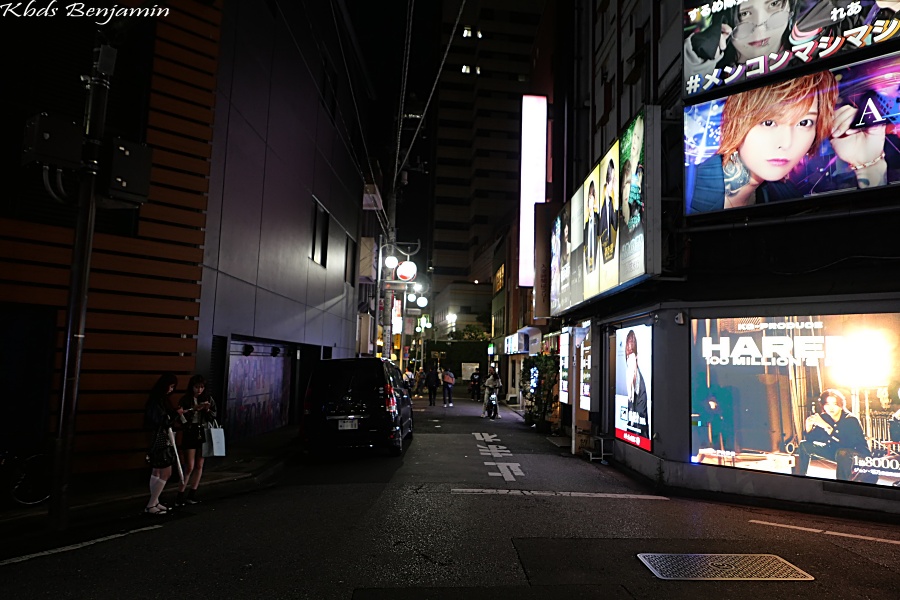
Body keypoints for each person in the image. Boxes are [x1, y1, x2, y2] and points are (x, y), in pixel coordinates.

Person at [688, 70, 889, 213]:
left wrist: (869, 165)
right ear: (737, 117)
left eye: (804, 122)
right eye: (768, 122)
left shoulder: (784, 196)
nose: (786, 143)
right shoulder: (690, 185)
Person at [683, 0, 799, 94]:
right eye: (744, 14)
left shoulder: (809, 52)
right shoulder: (704, 62)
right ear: (723, 22)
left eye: (773, 4)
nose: (760, 26)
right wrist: (699, 58)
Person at [794, 389, 872, 481]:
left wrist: (827, 427)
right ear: (823, 405)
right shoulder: (825, 417)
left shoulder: (850, 420)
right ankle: (798, 478)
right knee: (804, 445)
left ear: (841, 405)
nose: (831, 408)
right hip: (835, 452)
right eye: (827, 404)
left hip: (856, 454)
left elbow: (846, 444)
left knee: (842, 452)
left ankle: (841, 484)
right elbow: (811, 440)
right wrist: (808, 426)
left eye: (834, 404)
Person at [175, 374, 218, 506]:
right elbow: (181, 419)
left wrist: (207, 410)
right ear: (191, 387)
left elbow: (214, 416)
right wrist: (193, 410)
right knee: (190, 466)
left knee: (200, 465)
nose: (199, 390)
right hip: (191, 432)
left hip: (203, 431)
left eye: (201, 387)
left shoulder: (208, 399)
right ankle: (180, 495)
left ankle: (192, 493)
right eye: (196, 387)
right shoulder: (185, 400)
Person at [143, 373, 178, 515]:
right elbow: (163, 421)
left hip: (155, 439)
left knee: (156, 470)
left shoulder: (155, 401)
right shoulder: (159, 402)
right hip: (161, 439)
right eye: (170, 386)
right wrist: (176, 414)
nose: (171, 389)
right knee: (166, 471)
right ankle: (152, 503)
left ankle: (155, 501)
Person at [625, 330, 648, 437]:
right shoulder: (630, 383)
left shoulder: (641, 386)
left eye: (631, 355)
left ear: (637, 356)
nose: (629, 359)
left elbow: (641, 420)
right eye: (627, 355)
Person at [598, 158, 618, 264]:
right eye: (613, 179)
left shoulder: (611, 202)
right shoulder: (601, 204)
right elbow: (599, 231)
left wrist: (617, 198)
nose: (614, 183)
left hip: (610, 253)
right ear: (607, 181)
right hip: (602, 257)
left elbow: (615, 225)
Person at [582, 180, 598, 273]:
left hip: (597, 268)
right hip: (588, 269)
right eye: (588, 199)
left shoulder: (599, 218)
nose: (589, 202)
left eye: (591, 198)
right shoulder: (586, 226)